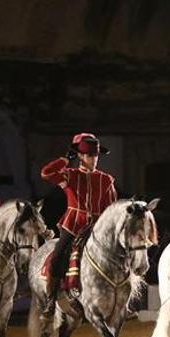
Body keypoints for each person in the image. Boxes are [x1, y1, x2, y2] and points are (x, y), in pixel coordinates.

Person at [40, 133, 117, 318]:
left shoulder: (106, 179)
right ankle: (51, 301)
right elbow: (46, 173)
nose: (94, 159)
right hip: (73, 224)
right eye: (90, 156)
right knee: (57, 257)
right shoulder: (69, 175)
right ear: (81, 157)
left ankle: (119, 300)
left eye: (96, 156)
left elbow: (111, 205)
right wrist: (65, 160)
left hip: (98, 227)